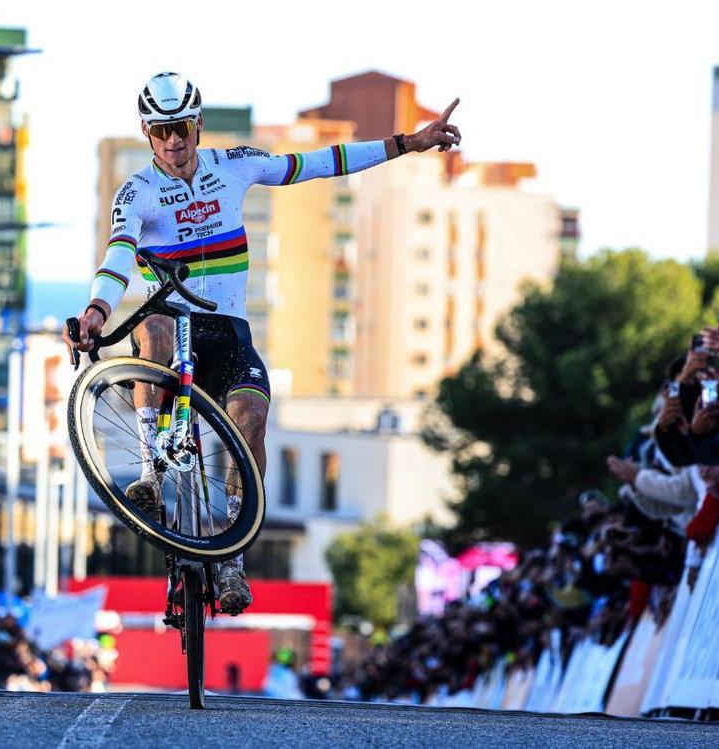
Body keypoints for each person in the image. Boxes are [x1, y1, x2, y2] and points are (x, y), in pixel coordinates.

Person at [64, 72, 462, 614]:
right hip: (172, 323)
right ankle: (154, 468)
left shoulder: (234, 166)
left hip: (228, 332)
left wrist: (407, 144)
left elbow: (321, 163)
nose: (174, 141)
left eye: (181, 127)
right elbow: (116, 258)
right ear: (146, 132)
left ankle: (231, 561)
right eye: (161, 131)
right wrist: (96, 309)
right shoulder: (137, 193)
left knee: (251, 421)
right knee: (150, 327)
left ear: (197, 124)